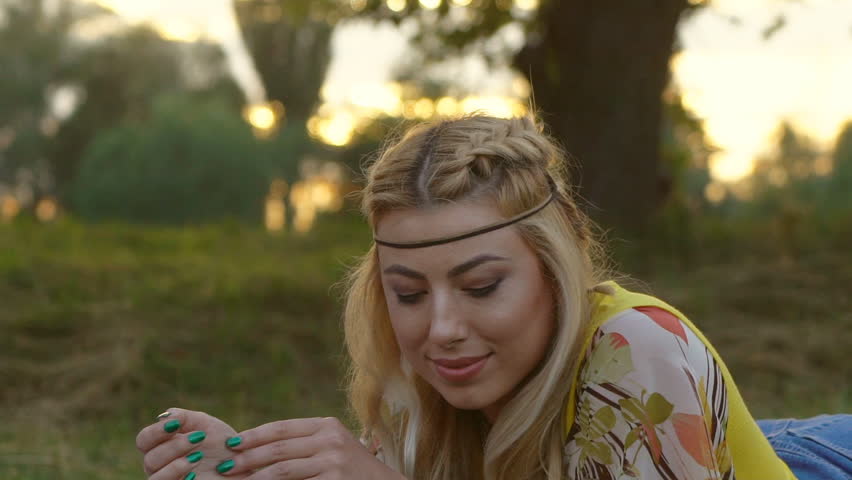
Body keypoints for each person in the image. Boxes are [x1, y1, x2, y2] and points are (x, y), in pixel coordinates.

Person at [135, 114, 851, 480]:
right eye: (407, 292)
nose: (440, 328)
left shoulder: (641, 351)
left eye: (482, 285)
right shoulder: (418, 370)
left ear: (555, 261)